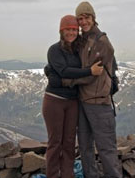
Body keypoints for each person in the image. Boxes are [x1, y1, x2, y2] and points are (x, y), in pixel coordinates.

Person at [43, 14, 103, 178]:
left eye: (73, 29)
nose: (71, 32)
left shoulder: (79, 49)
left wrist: (61, 78)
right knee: (55, 143)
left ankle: (67, 175)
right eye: (67, 29)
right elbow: (64, 71)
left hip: (73, 101)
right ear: (61, 31)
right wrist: (89, 71)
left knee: (69, 142)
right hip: (54, 100)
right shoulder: (54, 50)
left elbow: (63, 74)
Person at [74, 1, 122, 178]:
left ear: (93, 18)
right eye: (80, 19)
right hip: (82, 102)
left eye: (86, 17)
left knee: (106, 149)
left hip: (99, 103)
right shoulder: (82, 41)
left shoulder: (102, 42)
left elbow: (91, 73)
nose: (83, 22)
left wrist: (67, 80)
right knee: (85, 148)